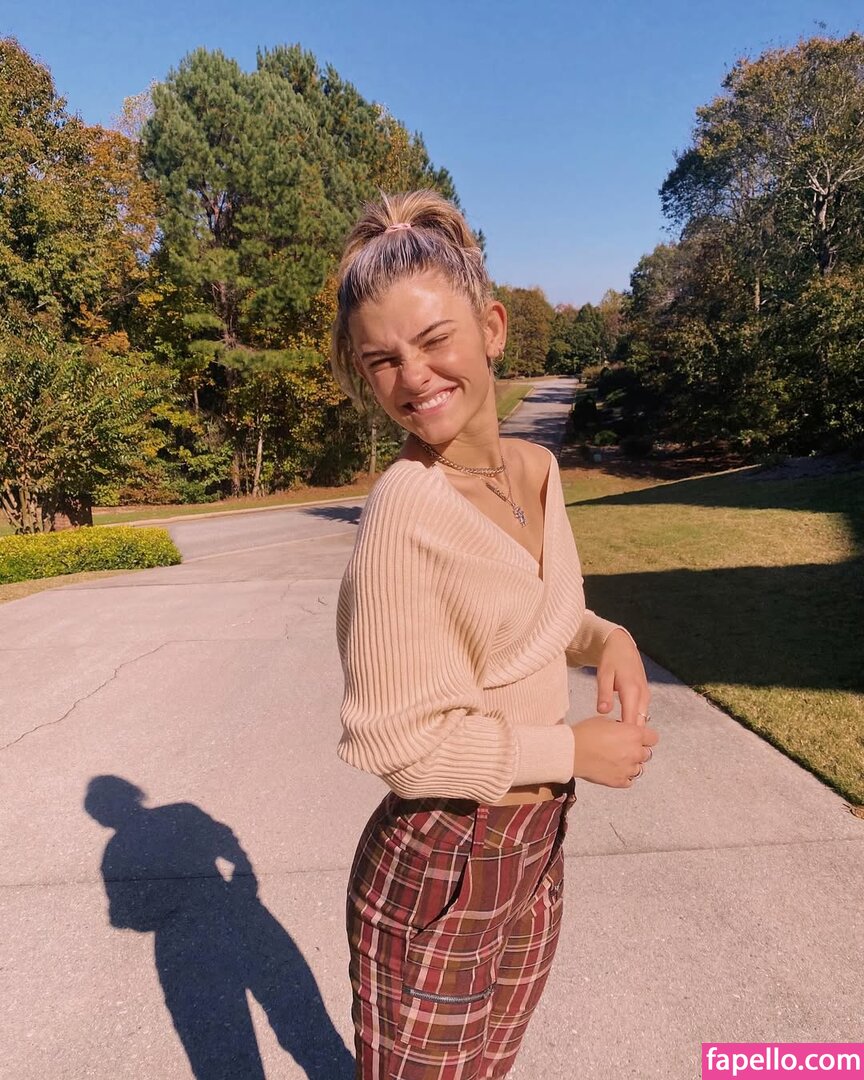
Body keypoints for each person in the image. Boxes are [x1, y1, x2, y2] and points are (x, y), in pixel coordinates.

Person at [330, 189, 658, 1080]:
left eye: (434, 340)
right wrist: (570, 750)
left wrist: (608, 636)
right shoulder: (404, 511)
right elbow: (399, 744)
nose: (414, 377)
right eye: (383, 359)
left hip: (537, 850)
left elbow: (532, 615)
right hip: (442, 862)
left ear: (492, 329)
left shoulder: (538, 469)